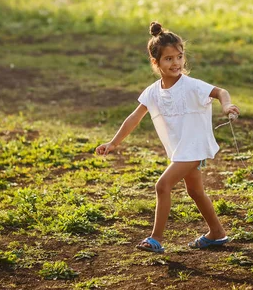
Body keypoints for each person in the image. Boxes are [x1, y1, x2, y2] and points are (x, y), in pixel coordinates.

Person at [95, 21, 240, 254]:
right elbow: (134, 117)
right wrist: (113, 143)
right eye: (169, 59)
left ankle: (156, 238)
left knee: (162, 185)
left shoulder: (191, 85)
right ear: (156, 62)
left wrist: (227, 105)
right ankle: (217, 233)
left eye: (180, 57)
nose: (176, 63)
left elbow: (220, 92)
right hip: (181, 149)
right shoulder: (153, 92)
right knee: (195, 191)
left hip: (195, 146)